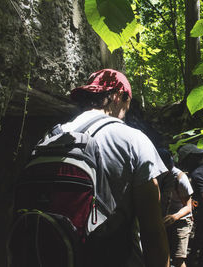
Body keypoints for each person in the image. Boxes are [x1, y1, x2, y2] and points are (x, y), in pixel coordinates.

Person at [63, 69, 170, 267]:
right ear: (119, 96)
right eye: (128, 103)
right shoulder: (132, 139)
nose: (127, 111)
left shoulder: (53, 136)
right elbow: (152, 231)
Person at [157, 149, 193, 267]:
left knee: (178, 258)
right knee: (162, 255)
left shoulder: (180, 178)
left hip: (181, 221)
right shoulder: (158, 176)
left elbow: (188, 207)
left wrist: (174, 217)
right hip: (163, 220)